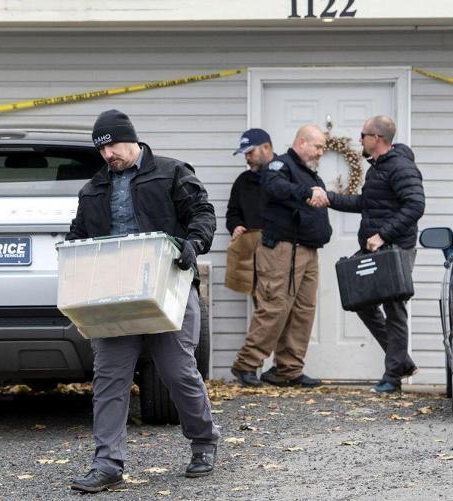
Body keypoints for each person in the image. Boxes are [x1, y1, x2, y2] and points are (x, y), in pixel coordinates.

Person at [67, 109, 220, 493]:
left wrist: (194, 243)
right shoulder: (93, 190)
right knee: (110, 377)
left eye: (113, 147)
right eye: (101, 151)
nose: (107, 156)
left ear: (130, 139)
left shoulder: (171, 173)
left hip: (168, 287)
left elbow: (202, 213)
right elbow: (78, 236)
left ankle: (204, 442)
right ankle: (107, 464)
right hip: (114, 294)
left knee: (177, 371)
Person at [318, 115, 425, 393]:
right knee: (362, 301)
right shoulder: (377, 168)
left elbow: (415, 205)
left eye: (363, 134)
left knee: (394, 308)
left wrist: (383, 235)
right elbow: (366, 203)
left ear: (377, 138)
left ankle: (392, 376)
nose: (359, 139)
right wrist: (330, 198)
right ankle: (400, 362)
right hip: (377, 247)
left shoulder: (401, 167)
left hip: (396, 249)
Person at [230, 124, 332, 388]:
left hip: (308, 250)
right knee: (275, 306)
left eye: (323, 147)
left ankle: (288, 370)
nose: (321, 152)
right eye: (317, 146)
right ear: (301, 143)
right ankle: (246, 364)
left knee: (303, 311)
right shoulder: (280, 167)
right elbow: (274, 187)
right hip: (283, 249)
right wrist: (307, 193)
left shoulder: (308, 173)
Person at [224, 128, 274, 295]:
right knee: (262, 306)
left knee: (283, 307)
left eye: (250, 152)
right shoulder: (243, 181)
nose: (247, 158)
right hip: (252, 255)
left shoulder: (285, 174)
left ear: (266, 147)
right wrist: (236, 226)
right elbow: (232, 213)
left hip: (282, 253)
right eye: (245, 154)